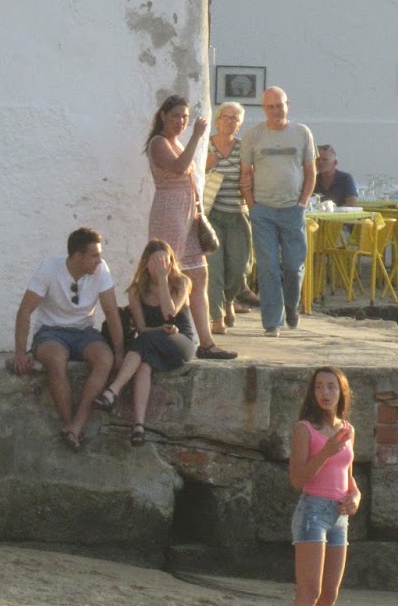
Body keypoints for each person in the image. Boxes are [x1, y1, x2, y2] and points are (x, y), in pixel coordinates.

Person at [13, 226, 126, 451]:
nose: (99, 260)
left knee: (105, 359)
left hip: (84, 331)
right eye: (94, 255)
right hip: (50, 331)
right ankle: (69, 424)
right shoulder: (50, 268)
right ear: (77, 256)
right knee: (57, 360)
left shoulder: (101, 269)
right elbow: (25, 310)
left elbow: (111, 312)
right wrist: (20, 352)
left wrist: (119, 351)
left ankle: (77, 425)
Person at [145, 94, 237, 360]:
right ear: (163, 115)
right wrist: (197, 136)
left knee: (199, 275)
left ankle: (206, 342)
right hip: (170, 213)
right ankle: (168, 334)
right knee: (170, 275)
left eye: (185, 117)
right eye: (175, 116)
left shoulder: (175, 142)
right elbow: (179, 167)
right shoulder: (158, 142)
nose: (181, 122)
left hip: (188, 214)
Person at [288, 366, 360, 606]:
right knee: (310, 590)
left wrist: (356, 496)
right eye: (319, 387)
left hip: (339, 516)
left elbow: (348, 477)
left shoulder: (348, 429)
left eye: (331, 387)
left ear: (341, 392)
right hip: (312, 512)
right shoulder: (304, 429)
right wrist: (326, 453)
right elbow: (297, 479)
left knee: (329, 593)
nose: (325, 393)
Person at [95, 239, 195, 446]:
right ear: (146, 263)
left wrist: (163, 280)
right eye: (156, 261)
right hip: (151, 342)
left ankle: (112, 391)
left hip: (180, 341)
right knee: (144, 365)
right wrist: (159, 330)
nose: (161, 266)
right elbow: (141, 328)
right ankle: (139, 426)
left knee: (145, 342)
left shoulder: (181, 282)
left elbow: (169, 314)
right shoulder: (137, 290)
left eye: (165, 261)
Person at [239, 87, 316, 335]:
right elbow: (246, 174)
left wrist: (303, 202)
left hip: (293, 209)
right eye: (270, 106)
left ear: (287, 105)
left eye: (279, 105)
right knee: (268, 267)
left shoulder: (302, 133)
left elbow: (311, 172)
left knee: (293, 266)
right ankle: (272, 322)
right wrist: (252, 205)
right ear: (264, 108)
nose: (275, 111)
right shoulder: (252, 135)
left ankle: (291, 306)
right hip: (263, 210)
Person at [205, 101, 255, 334]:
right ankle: (217, 317)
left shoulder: (244, 148)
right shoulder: (206, 146)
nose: (229, 121)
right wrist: (206, 167)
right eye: (225, 116)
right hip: (212, 214)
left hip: (238, 214)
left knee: (239, 267)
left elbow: (250, 178)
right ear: (217, 120)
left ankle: (229, 299)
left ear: (240, 123)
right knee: (214, 267)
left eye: (234, 118)